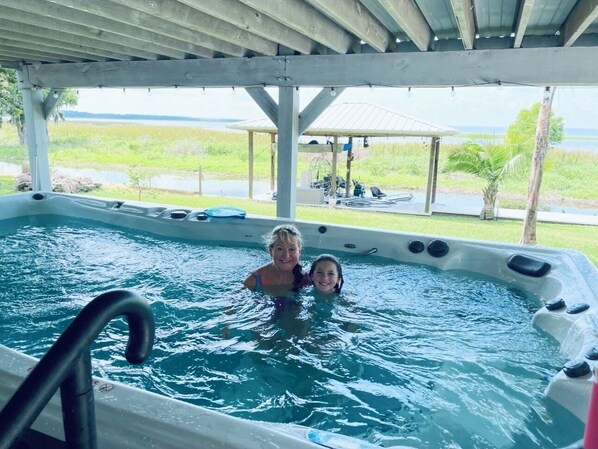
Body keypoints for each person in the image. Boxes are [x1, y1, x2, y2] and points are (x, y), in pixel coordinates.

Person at [243, 224, 310, 295]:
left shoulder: (307, 279)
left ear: (299, 251)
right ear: (270, 250)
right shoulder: (253, 281)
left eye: (292, 249)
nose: (286, 255)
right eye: (280, 248)